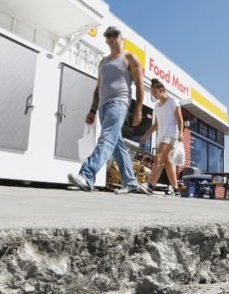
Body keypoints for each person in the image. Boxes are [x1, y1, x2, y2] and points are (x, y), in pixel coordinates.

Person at [68, 26, 151, 195]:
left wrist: (138, 109)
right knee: (116, 144)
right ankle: (130, 181)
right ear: (106, 40)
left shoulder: (129, 57)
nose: (112, 38)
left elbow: (140, 84)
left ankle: (87, 175)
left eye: (115, 34)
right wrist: (92, 111)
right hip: (103, 107)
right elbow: (98, 88)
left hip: (119, 103)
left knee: (106, 138)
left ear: (121, 38)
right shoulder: (103, 62)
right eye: (109, 35)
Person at [140, 78, 184, 196]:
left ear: (162, 90)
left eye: (155, 92)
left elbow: (180, 119)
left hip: (171, 135)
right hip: (161, 138)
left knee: (158, 157)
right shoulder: (157, 106)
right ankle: (176, 190)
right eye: (152, 92)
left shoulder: (172, 101)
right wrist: (146, 135)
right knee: (168, 163)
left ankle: (150, 185)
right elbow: (156, 124)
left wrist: (181, 133)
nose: (153, 95)